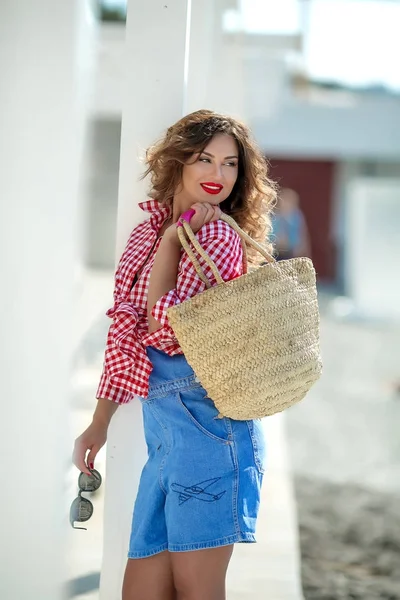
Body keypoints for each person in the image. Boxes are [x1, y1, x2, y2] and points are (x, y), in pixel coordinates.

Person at [73, 109, 277, 600]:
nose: (217, 174)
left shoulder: (218, 237)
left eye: (230, 164)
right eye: (204, 159)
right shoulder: (147, 230)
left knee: (197, 592)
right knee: (139, 592)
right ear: (179, 162)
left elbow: (168, 332)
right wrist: (99, 423)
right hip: (165, 441)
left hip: (212, 435)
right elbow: (125, 332)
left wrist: (171, 247)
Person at [271, 187, 311, 260]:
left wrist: (302, 248)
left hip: (290, 251)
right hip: (275, 251)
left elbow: (302, 233)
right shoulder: (275, 216)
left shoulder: (296, 216)